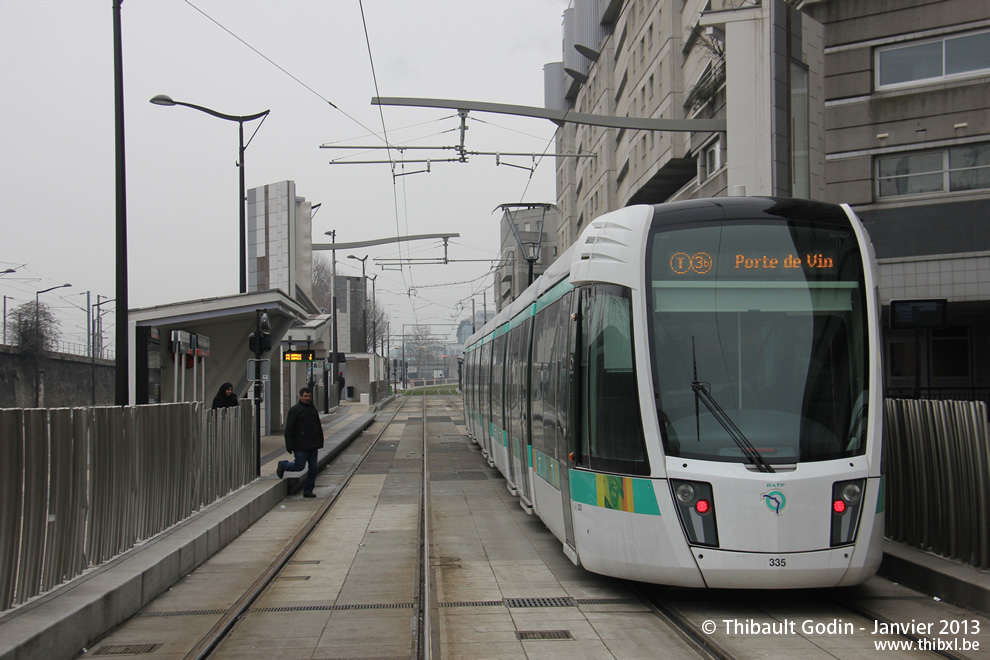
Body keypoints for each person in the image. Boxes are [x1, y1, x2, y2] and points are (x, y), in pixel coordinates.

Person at [276, 387, 325, 498]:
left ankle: (308, 490)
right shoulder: (295, 410)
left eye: (309, 396)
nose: (307, 398)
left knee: (313, 469)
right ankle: (283, 465)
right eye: (305, 396)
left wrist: (319, 441)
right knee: (299, 466)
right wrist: (289, 445)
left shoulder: (312, 409)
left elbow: (317, 426)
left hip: (313, 446)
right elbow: (289, 429)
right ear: (300, 396)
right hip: (301, 446)